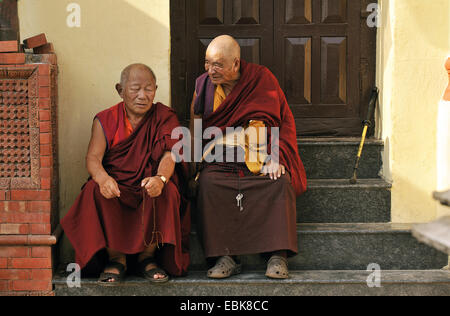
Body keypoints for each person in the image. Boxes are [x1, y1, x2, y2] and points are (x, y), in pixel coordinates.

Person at [61, 64, 190, 285]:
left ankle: (146, 258)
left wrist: (160, 178)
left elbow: (171, 153)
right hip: (118, 188)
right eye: (135, 88)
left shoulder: (164, 116)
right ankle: (116, 259)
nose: (142, 95)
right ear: (120, 90)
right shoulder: (105, 119)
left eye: (148, 89)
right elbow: (93, 158)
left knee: (167, 189)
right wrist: (103, 179)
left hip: (147, 184)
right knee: (94, 189)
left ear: (155, 90)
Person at [190, 35, 307, 279]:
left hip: (259, 153)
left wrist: (278, 157)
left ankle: (277, 255)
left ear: (236, 64)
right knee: (209, 184)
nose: (211, 70)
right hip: (220, 156)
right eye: (207, 63)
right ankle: (225, 256)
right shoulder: (202, 85)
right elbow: (197, 127)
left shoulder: (261, 79)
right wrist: (195, 162)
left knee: (279, 181)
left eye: (218, 65)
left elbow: (282, 121)